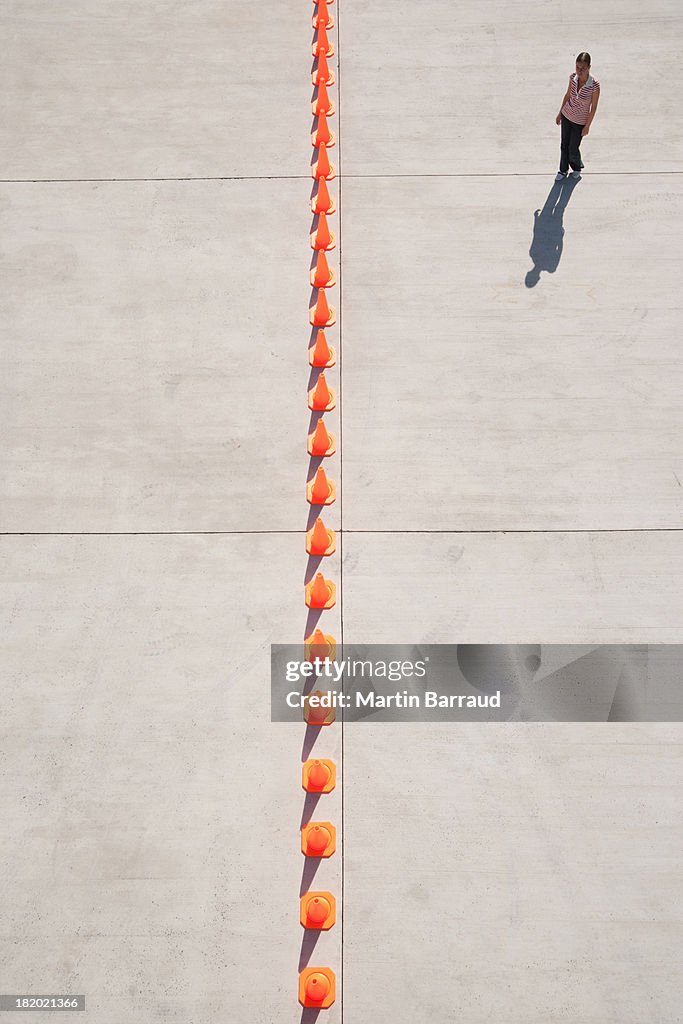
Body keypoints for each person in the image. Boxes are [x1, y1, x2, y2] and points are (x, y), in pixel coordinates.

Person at [555, 52, 600, 181]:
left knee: (573, 148)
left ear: (589, 67)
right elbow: (567, 95)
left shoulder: (594, 85)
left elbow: (594, 107)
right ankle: (562, 170)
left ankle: (577, 167)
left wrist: (587, 126)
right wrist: (560, 113)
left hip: (580, 121)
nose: (579, 71)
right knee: (564, 145)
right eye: (577, 67)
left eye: (583, 68)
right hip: (567, 115)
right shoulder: (572, 78)